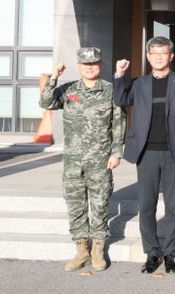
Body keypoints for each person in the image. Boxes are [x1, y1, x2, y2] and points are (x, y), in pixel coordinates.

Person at [113, 36, 175, 275]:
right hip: (147, 152)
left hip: (173, 152)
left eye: (163, 53)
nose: (159, 57)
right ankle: (152, 252)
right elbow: (120, 99)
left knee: (173, 205)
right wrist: (119, 75)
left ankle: (171, 253)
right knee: (147, 206)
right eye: (154, 53)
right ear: (148, 57)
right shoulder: (139, 83)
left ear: (171, 56)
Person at [39, 47, 125, 272]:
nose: (89, 67)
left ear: (100, 65)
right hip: (73, 161)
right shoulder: (68, 90)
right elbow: (46, 103)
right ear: (78, 66)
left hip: (100, 160)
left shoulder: (110, 90)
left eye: (94, 63)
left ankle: (98, 249)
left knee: (99, 204)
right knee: (75, 204)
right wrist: (54, 77)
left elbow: (118, 123)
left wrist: (116, 152)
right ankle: (81, 250)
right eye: (85, 64)